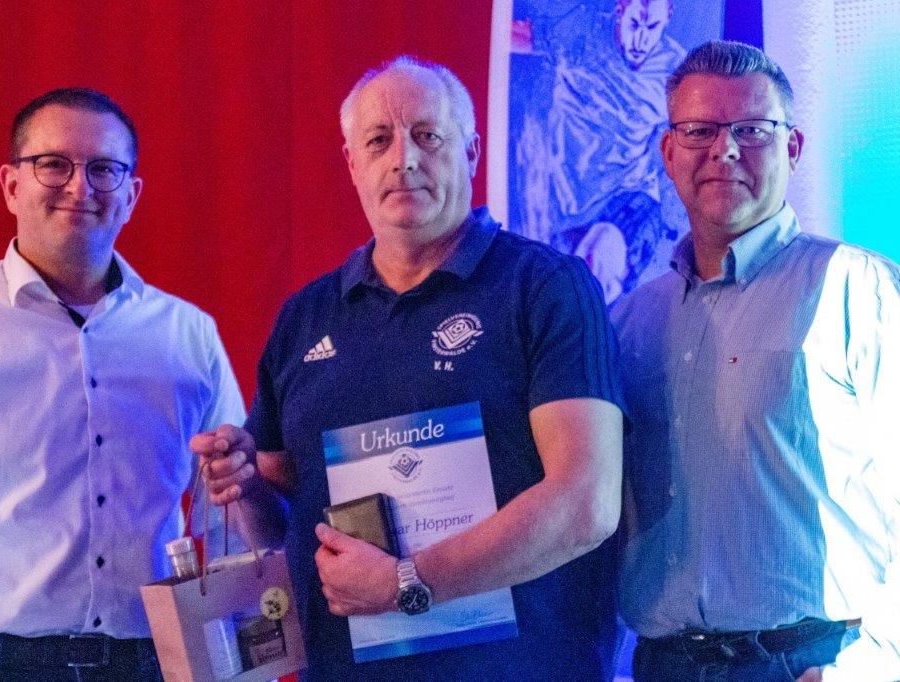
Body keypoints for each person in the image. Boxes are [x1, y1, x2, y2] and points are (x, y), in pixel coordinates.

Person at [192, 56, 625, 680]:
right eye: (379, 141)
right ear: (352, 163)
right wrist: (245, 484)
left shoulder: (547, 288)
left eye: (428, 136)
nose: (404, 160)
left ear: (471, 152)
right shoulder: (304, 319)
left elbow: (585, 503)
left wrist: (406, 581)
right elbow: (284, 528)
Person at [0, 88, 245, 681]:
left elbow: (231, 524)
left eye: (103, 169)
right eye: (53, 164)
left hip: (148, 662)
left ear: (131, 195)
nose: (80, 187)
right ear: (11, 185)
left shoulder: (188, 335)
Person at [613, 40, 900, 681]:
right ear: (668, 152)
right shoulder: (629, 322)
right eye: (700, 130)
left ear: (792, 147)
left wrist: (871, 666)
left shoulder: (859, 290)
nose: (725, 150)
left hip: (813, 661)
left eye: (752, 129)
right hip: (664, 664)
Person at [513, 0, 684, 294]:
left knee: (595, 274)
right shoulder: (582, 31)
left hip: (625, 199)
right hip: (565, 200)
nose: (640, 40)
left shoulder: (678, 72)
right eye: (634, 24)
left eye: (652, 27)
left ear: (668, 17)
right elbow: (507, 39)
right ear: (620, 9)